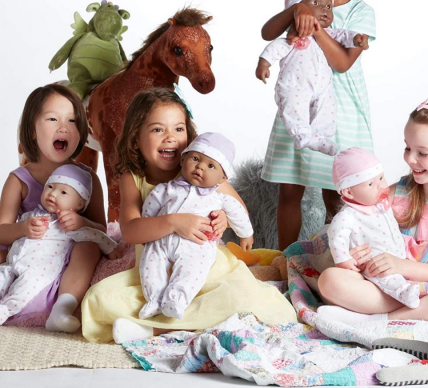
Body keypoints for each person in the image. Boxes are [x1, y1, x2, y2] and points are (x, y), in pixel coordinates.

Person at [81, 88, 297, 344]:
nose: (170, 137)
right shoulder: (133, 178)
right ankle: (181, 321)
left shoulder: (203, 171)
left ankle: (152, 330)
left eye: (179, 129)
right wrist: (174, 222)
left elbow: (237, 208)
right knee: (97, 298)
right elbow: (130, 231)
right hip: (154, 274)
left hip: (204, 269)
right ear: (135, 139)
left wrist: (223, 218)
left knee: (242, 297)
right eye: (158, 129)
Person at [261, 0, 386, 249]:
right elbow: (267, 33)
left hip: (341, 110)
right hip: (300, 103)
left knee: (338, 192)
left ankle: (334, 258)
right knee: (290, 189)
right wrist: (297, 9)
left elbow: (342, 63)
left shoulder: (360, 12)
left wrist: (314, 25)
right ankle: (284, 260)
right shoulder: (301, 4)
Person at [318, 97, 428, 323]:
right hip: (390, 289)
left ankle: (382, 321)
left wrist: (403, 266)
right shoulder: (396, 195)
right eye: (407, 147)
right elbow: (359, 227)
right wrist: (352, 258)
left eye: (423, 153)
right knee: (330, 280)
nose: (410, 159)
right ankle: (398, 315)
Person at [0, 84, 106, 332]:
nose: (63, 127)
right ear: (32, 131)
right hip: (28, 255)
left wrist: (82, 223)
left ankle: (63, 308)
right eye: (52, 119)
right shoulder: (19, 179)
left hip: (65, 255)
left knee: (89, 247)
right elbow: (2, 230)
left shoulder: (88, 179)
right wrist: (23, 228)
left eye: (72, 120)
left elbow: (101, 229)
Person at [140, 132, 254, 320]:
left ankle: (176, 300)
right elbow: (149, 210)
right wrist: (149, 231)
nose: (200, 166)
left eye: (211, 165)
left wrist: (246, 234)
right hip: (161, 240)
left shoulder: (219, 198)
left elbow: (238, 212)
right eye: (195, 159)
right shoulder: (166, 189)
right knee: (151, 263)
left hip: (196, 245)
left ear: (222, 178)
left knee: (193, 270)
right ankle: (154, 299)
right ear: (183, 159)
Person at [256, 0, 368, 155]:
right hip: (295, 85)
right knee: (294, 106)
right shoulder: (293, 38)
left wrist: (356, 39)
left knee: (327, 108)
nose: (324, 9)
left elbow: (343, 35)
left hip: (323, 87)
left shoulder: (329, 33)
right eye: (316, 3)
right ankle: (300, 134)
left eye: (329, 6)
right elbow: (276, 47)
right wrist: (264, 64)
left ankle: (321, 137)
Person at [0, 165, 118, 325]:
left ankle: (5, 310)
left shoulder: (68, 225)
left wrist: (111, 248)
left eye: (63, 192)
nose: (53, 193)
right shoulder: (31, 215)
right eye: (50, 187)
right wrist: (24, 227)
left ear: (79, 204)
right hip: (11, 264)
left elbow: (95, 235)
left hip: (39, 270)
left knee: (25, 289)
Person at [326, 147, 419, 309]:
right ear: (349, 192)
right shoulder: (349, 215)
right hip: (374, 260)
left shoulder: (380, 204)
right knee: (385, 277)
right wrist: (343, 260)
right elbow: (335, 236)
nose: (381, 186)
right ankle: (403, 292)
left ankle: (410, 286)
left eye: (381, 178)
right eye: (370, 184)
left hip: (397, 254)